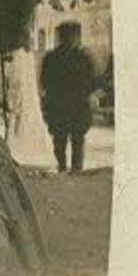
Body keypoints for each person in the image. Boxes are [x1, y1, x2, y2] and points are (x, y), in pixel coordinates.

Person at [40, 21, 98, 174]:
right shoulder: (81, 57)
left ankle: (71, 167)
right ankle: (68, 167)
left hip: (68, 104)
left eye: (71, 35)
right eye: (68, 36)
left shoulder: (55, 58)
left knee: (73, 138)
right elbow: (93, 81)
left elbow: (45, 81)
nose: (70, 39)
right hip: (67, 104)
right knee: (64, 139)